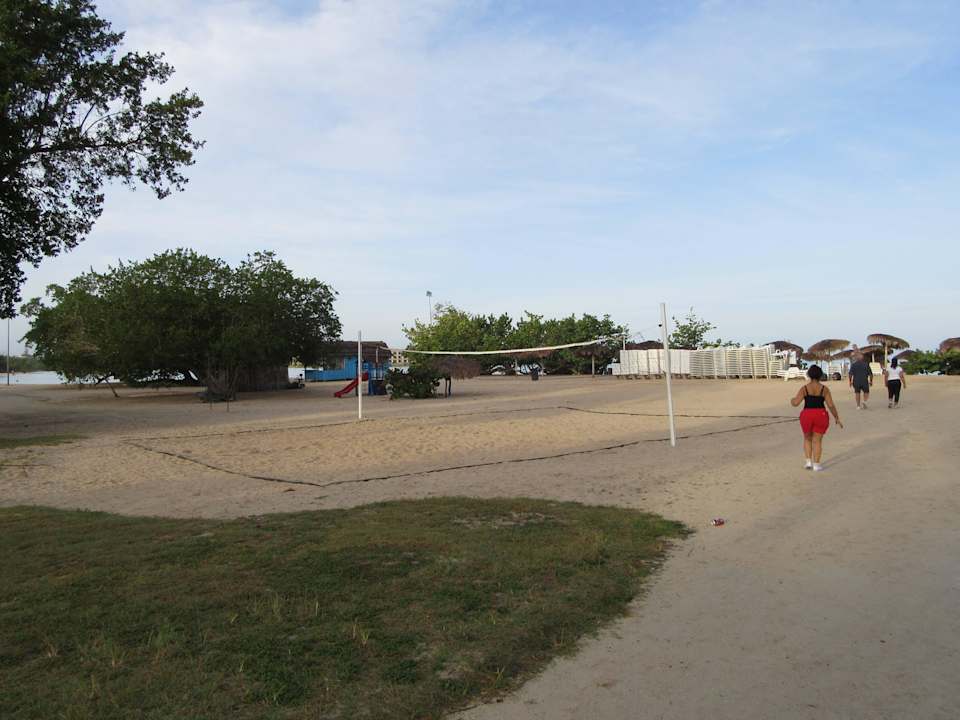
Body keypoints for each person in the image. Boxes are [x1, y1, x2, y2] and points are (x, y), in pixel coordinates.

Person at [791, 365, 843, 472]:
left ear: (809, 375)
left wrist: (792, 400)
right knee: (817, 441)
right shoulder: (824, 389)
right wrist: (836, 417)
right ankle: (817, 464)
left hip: (807, 414)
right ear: (820, 375)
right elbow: (831, 405)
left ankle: (808, 462)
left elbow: (795, 403)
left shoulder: (804, 388)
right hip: (821, 414)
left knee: (807, 438)